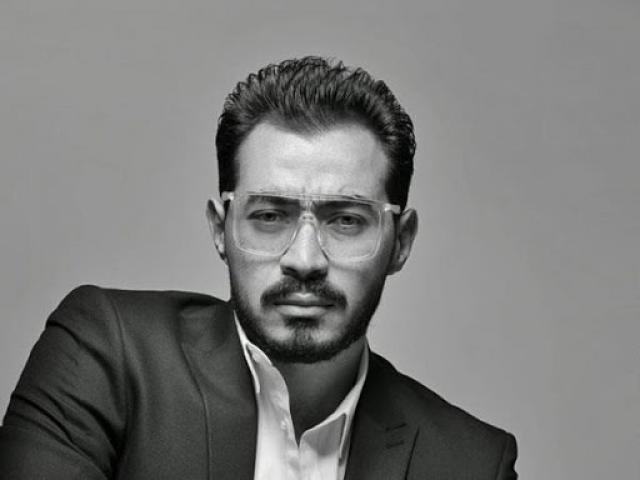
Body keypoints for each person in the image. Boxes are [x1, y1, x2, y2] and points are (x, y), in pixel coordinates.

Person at [0, 56, 518, 479]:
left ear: (400, 242)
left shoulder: (470, 463)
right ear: (220, 228)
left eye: (346, 220)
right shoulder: (106, 354)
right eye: (270, 216)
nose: (305, 260)